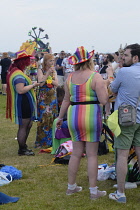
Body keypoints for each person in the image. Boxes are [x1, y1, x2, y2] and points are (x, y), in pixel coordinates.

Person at [56, 46, 108, 200]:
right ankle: (93, 191)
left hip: (73, 115)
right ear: (90, 60)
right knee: (92, 154)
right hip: (91, 115)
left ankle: (71, 187)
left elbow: (66, 99)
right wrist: (106, 86)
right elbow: (104, 100)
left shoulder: (70, 77)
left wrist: (59, 118)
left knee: (76, 153)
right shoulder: (96, 76)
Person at [106, 43, 140, 203]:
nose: (123, 58)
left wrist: (111, 73)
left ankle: (120, 193)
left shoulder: (125, 71)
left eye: (126, 55)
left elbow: (113, 88)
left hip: (127, 119)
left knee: (122, 155)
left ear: (135, 57)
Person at [6, 50, 40, 156]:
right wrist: (33, 85)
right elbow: (20, 90)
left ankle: (24, 146)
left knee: (28, 124)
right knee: (24, 126)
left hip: (25, 102)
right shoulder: (18, 75)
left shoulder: (17, 71)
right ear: (23, 61)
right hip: (23, 103)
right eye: (27, 61)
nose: (29, 63)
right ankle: (22, 149)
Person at [35, 53, 58, 148]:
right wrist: (47, 73)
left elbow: (57, 83)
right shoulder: (40, 70)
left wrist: (51, 80)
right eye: (50, 60)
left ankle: (51, 140)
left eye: (53, 60)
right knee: (44, 117)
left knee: (52, 118)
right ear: (45, 61)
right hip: (44, 97)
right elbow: (40, 83)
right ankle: (41, 141)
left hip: (52, 97)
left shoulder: (54, 71)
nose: (52, 62)